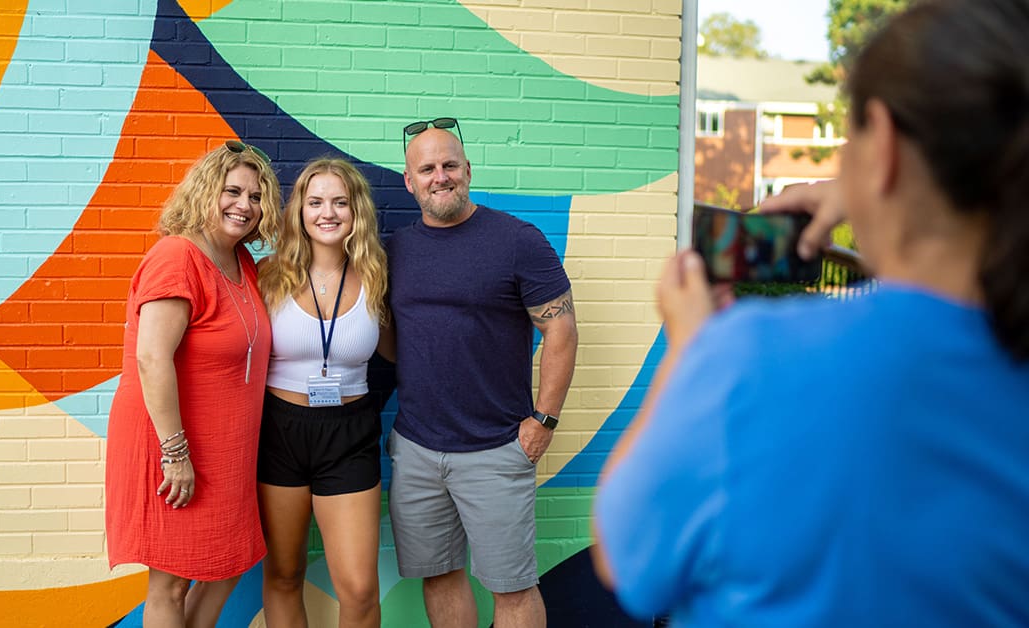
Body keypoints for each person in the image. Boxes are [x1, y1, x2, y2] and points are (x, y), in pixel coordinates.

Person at [593, 0, 1029, 625]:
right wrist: (877, 206)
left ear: (883, 143)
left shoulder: (749, 359)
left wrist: (688, 350)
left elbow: (626, 561)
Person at [386, 119, 579, 628]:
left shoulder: (516, 240)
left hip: (496, 450)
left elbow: (561, 330)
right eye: (427, 168)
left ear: (468, 170)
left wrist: (544, 421)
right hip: (417, 450)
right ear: (409, 181)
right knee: (439, 576)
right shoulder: (396, 250)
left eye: (450, 165)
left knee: (512, 587)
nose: (440, 176)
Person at [105, 140, 281, 628]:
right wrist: (175, 452)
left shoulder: (242, 261)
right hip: (175, 444)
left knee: (228, 563)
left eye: (256, 196)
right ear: (205, 192)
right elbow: (151, 357)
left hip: (224, 449)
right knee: (171, 583)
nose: (244, 205)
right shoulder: (177, 257)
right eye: (232, 191)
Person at [254, 158, 392, 628]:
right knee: (284, 574)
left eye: (340, 202)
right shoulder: (268, 274)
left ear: (357, 211)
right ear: (299, 210)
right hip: (279, 430)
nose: (327, 213)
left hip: (350, 435)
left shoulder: (376, 276)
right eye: (315, 202)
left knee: (359, 589)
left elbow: (401, 351)